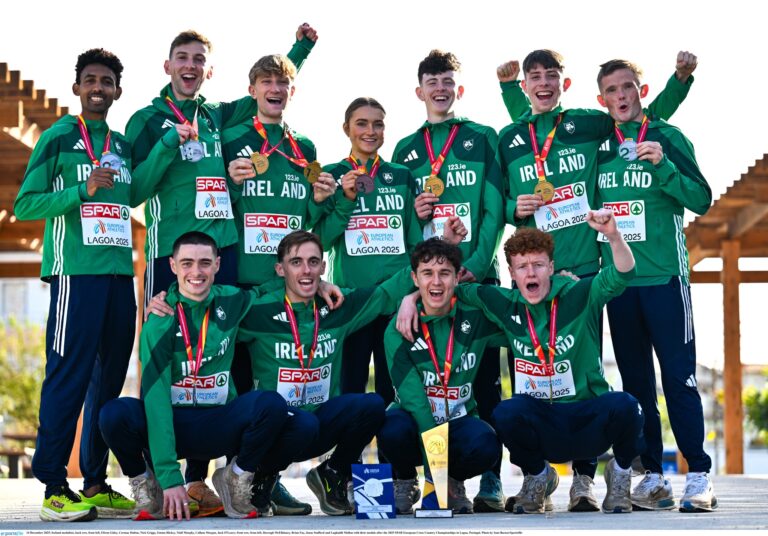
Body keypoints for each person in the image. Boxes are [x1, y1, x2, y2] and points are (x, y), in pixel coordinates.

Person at [126, 25, 318, 515]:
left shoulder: (217, 114)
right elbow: (134, 192)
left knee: (222, 355)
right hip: (174, 256)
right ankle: (166, 475)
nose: (190, 66)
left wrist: (299, 49)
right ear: (167, 65)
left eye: (199, 60)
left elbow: (273, 90)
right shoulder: (147, 119)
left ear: (209, 71)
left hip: (223, 253)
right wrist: (169, 143)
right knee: (170, 361)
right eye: (182, 57)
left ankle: (231, 475)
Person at [495, 49, 696, 511]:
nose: (543, 84)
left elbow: (643, 118)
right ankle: (538, 475)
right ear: (524, 85)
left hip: (585, 271)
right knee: (538, 371)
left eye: (551, 77)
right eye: (533, 79)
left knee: (583, 375)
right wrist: (513, 210)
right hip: (534, 277)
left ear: (565, 83)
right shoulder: (510, 136)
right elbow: (504, 197)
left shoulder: (589, 123)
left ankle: (585, 479)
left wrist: (679, 82)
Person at [100, 231, 337, 520]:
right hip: (175, 424)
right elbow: (156, 401)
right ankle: (148, 486)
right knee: (113, 414)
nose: (196, 272)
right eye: (187, 263)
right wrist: (170, 475)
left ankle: (236, 477)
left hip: (219, 425)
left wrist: (319, 282)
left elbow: (282, 286)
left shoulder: (233, 301)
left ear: (217, 265)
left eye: (204, 263)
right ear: (173, 266)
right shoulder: (159, 322)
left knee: (276, 407)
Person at [448, 210, 644, 514]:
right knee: (505, 412)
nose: (531, 273)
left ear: (551, 267)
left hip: (586, 419)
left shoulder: (578, 293)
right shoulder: (504, 302)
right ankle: (538, 477)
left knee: (629, 406)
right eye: (522, 267)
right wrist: (409, 300)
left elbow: (623, 273)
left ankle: (619, 476)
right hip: (542, 426)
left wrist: (614, 237)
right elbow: (444, 288)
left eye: (538, 265)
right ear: (512, 274)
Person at [14, 48, 137, 521]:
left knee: (107, 383)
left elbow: (137, 192)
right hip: (75, 275)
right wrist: (79, 192)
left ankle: (95, 480)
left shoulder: (123, 146)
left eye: (106, 81)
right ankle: (51, 486)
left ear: (117, 91)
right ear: (77, 87)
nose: (98, 88)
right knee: (67, 378)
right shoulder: (59, 137)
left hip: (119, 278)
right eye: (90, 80)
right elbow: (26, 204)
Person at [391, 49, 512, 512]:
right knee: (427, 378)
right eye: (432, 82)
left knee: (484, 382)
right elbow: (398, 223)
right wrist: (413, 212)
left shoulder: (482, 137)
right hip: (429, 282)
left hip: (475, 274)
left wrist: (476, 266)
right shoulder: (405, 149)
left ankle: (491, 482)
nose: (440, 89)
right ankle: (433, 481)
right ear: (419, 91)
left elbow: (494, 208)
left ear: (458, 89)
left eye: (447, 82)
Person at [594, 59, 715, 512]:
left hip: (665, 279)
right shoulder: (598, 145)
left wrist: (663, 166)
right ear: (601, 99)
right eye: (612, 90)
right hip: (620, 284)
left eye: (628, 87)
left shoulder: (667, 137)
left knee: (679, 380)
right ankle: (652, 476)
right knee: (636, 385)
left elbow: (700, 199)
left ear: (641, 90)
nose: (621, 95)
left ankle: (699, 474)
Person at [221, 52, 337, 515]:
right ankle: (211, 479)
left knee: (271, 392)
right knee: (230, 387)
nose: (274, 88)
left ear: (292, 91)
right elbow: (208, 205)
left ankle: (265, 480)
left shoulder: (303, 147)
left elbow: (311, 226)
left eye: (282, 83)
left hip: (284, 291)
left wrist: (327, 201)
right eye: (265, 81)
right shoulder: (231, 139)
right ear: (251, 90)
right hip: (243, 284)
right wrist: (230, 183)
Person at [378, 238, 503, 515]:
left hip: (457, 422)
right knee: (389, 427)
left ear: (457, 277)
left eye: (445, 273)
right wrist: (434, 476)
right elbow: (417, 404)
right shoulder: (398, 329)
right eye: (427, 273)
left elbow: (523, 326)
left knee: (486, 443)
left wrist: (558, 290)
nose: (436, 282)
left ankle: (454, 482)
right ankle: (406, 479)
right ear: (414, 278)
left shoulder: (475, 319)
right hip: (414, 422)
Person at [315, 97, 422, 407]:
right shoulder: (332, 174)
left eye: (378, 124)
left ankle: (394, 456)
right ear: (346, 128)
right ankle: (347, 457)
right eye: (362, 123)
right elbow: (320, 239)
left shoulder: (401, 175)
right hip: (352, 299)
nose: (370, 130)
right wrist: (346, 199)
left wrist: (413, 293)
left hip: (396, 298)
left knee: (394, 391)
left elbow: (414, 242)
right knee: (350, 389)